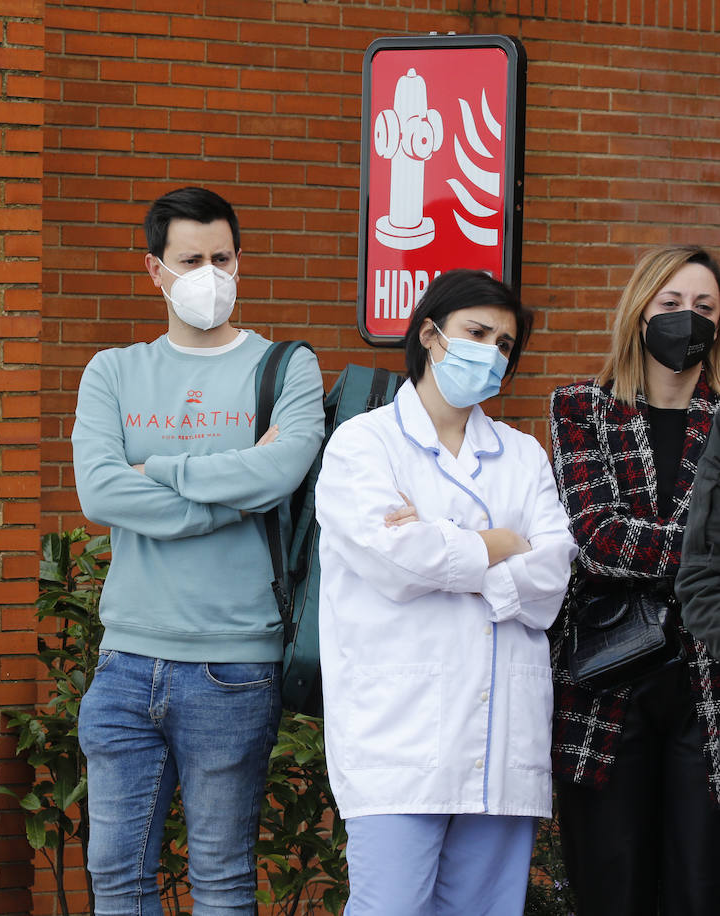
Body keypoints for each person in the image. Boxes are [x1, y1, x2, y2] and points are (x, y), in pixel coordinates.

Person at [71, 186, 325, 916]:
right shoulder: (112, 372)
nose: (208, 273)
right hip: (125, 659)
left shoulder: (285, 368)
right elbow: (100, 495)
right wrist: (232, 490)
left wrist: (162, 473)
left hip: (234, 662)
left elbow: (279, 475)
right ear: (155, 270)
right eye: (190, 260)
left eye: (221, 257)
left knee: (221, 879)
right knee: (115, 875)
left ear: (240, 261)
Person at [315, 270, 575, 916]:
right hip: (400, 742)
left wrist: (445, 545)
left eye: (505, 344)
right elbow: (397, 559)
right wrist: (499, 543)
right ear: (430, 335)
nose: (491, 353)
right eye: (477, 333)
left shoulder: (522, 455)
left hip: (501, 745)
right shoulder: (363, 444)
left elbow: (551, 582)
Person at [553, 245, 720, 914]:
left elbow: (630, 540)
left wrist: (663, 552)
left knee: (699, 886)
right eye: (672, 304)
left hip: (707, 681)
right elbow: (596, 538)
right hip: (608, 674)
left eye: (705, 307)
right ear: (639, 311)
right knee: (611, 886)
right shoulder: (582, 408)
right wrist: (706, 553)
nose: (688, 319)